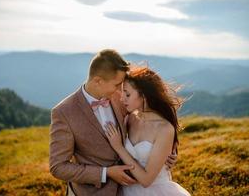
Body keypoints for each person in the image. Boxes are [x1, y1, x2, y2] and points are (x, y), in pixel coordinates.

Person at [49, 49, 177, 196]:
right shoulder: (64, 112)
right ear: (98, 81)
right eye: (117, 85)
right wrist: (105, 173)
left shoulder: (121, 97)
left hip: (130, 189)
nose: (120, 91)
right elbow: (58, 167)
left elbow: (149, 124)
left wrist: (164, 155)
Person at [105, 66, 191, 196]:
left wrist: (119, 148)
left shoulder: (164, 129)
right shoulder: (129, 118)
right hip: (126, 190)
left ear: (143, 96)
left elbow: (146, 180)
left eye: (127, 94)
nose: (122, 98)